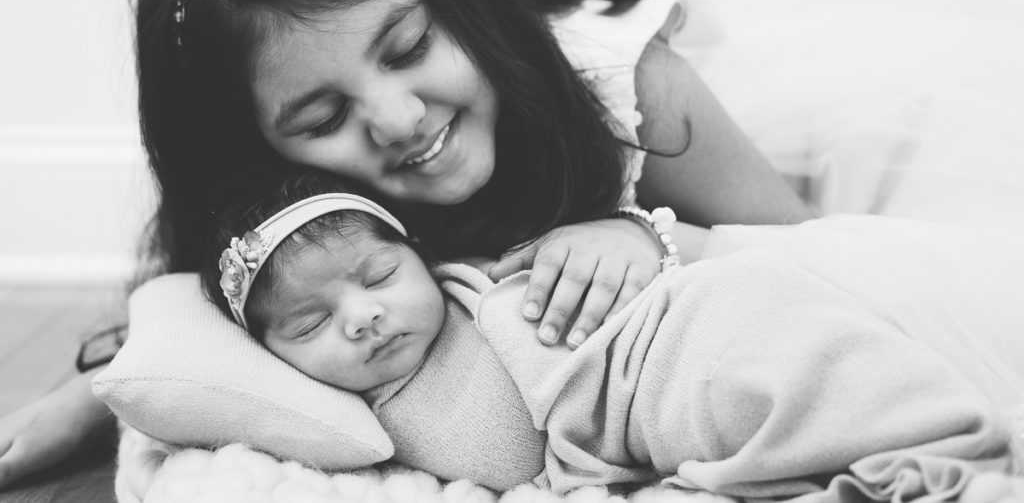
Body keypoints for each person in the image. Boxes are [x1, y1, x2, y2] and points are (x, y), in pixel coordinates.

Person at [0, 0, 814, 489]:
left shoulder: (632, 90)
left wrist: (645, 234)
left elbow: (812, 257)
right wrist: (87, 401)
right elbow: (205, 307)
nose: (399, 119)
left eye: (411, 46)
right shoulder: (292, 201)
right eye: (323, 118)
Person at [198, 170, 1022, 500]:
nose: (363, 315)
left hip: (680, 338)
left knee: (795, 364)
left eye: (379, 277)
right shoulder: (353, 421)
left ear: (420, 255)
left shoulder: (478, 288)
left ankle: (927, 443)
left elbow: (637, 292)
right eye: (311, 323)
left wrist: (630, 234)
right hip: (657, 416)